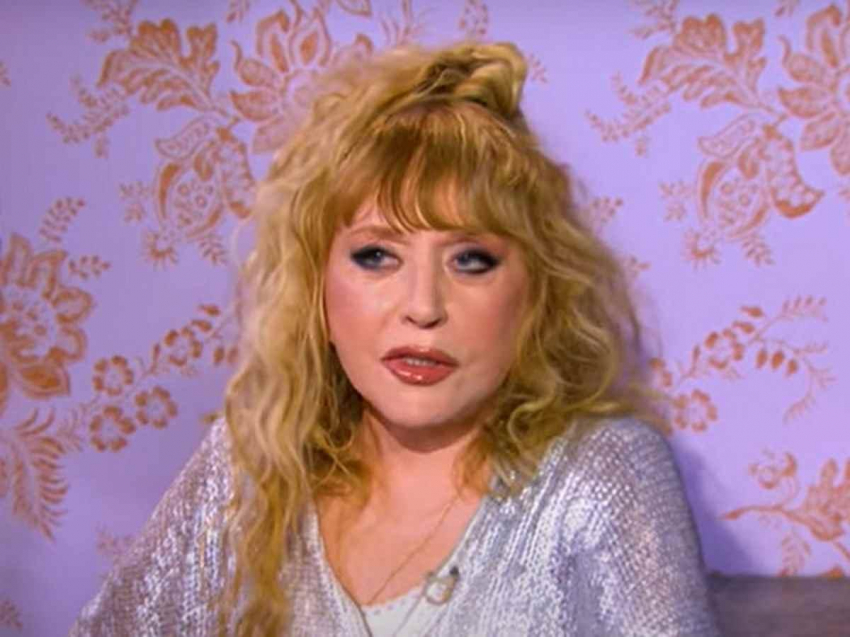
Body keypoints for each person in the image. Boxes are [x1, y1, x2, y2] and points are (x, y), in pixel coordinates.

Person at [71, 41, 719, 636]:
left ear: (534, 296)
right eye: (377, 256)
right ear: (316, 288)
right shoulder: (251, 468)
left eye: (470, 260)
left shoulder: (604, 473)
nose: (423, 307)